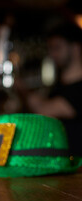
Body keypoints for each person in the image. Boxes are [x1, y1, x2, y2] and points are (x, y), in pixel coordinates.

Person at [26, 22, 82, 156]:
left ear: (75, 48)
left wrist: (20, 88)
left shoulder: (79, 89)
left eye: (57, 48)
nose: (52, 54)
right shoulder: (57, 87)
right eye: (50, 49)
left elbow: (44, 111)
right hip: (58, 165)